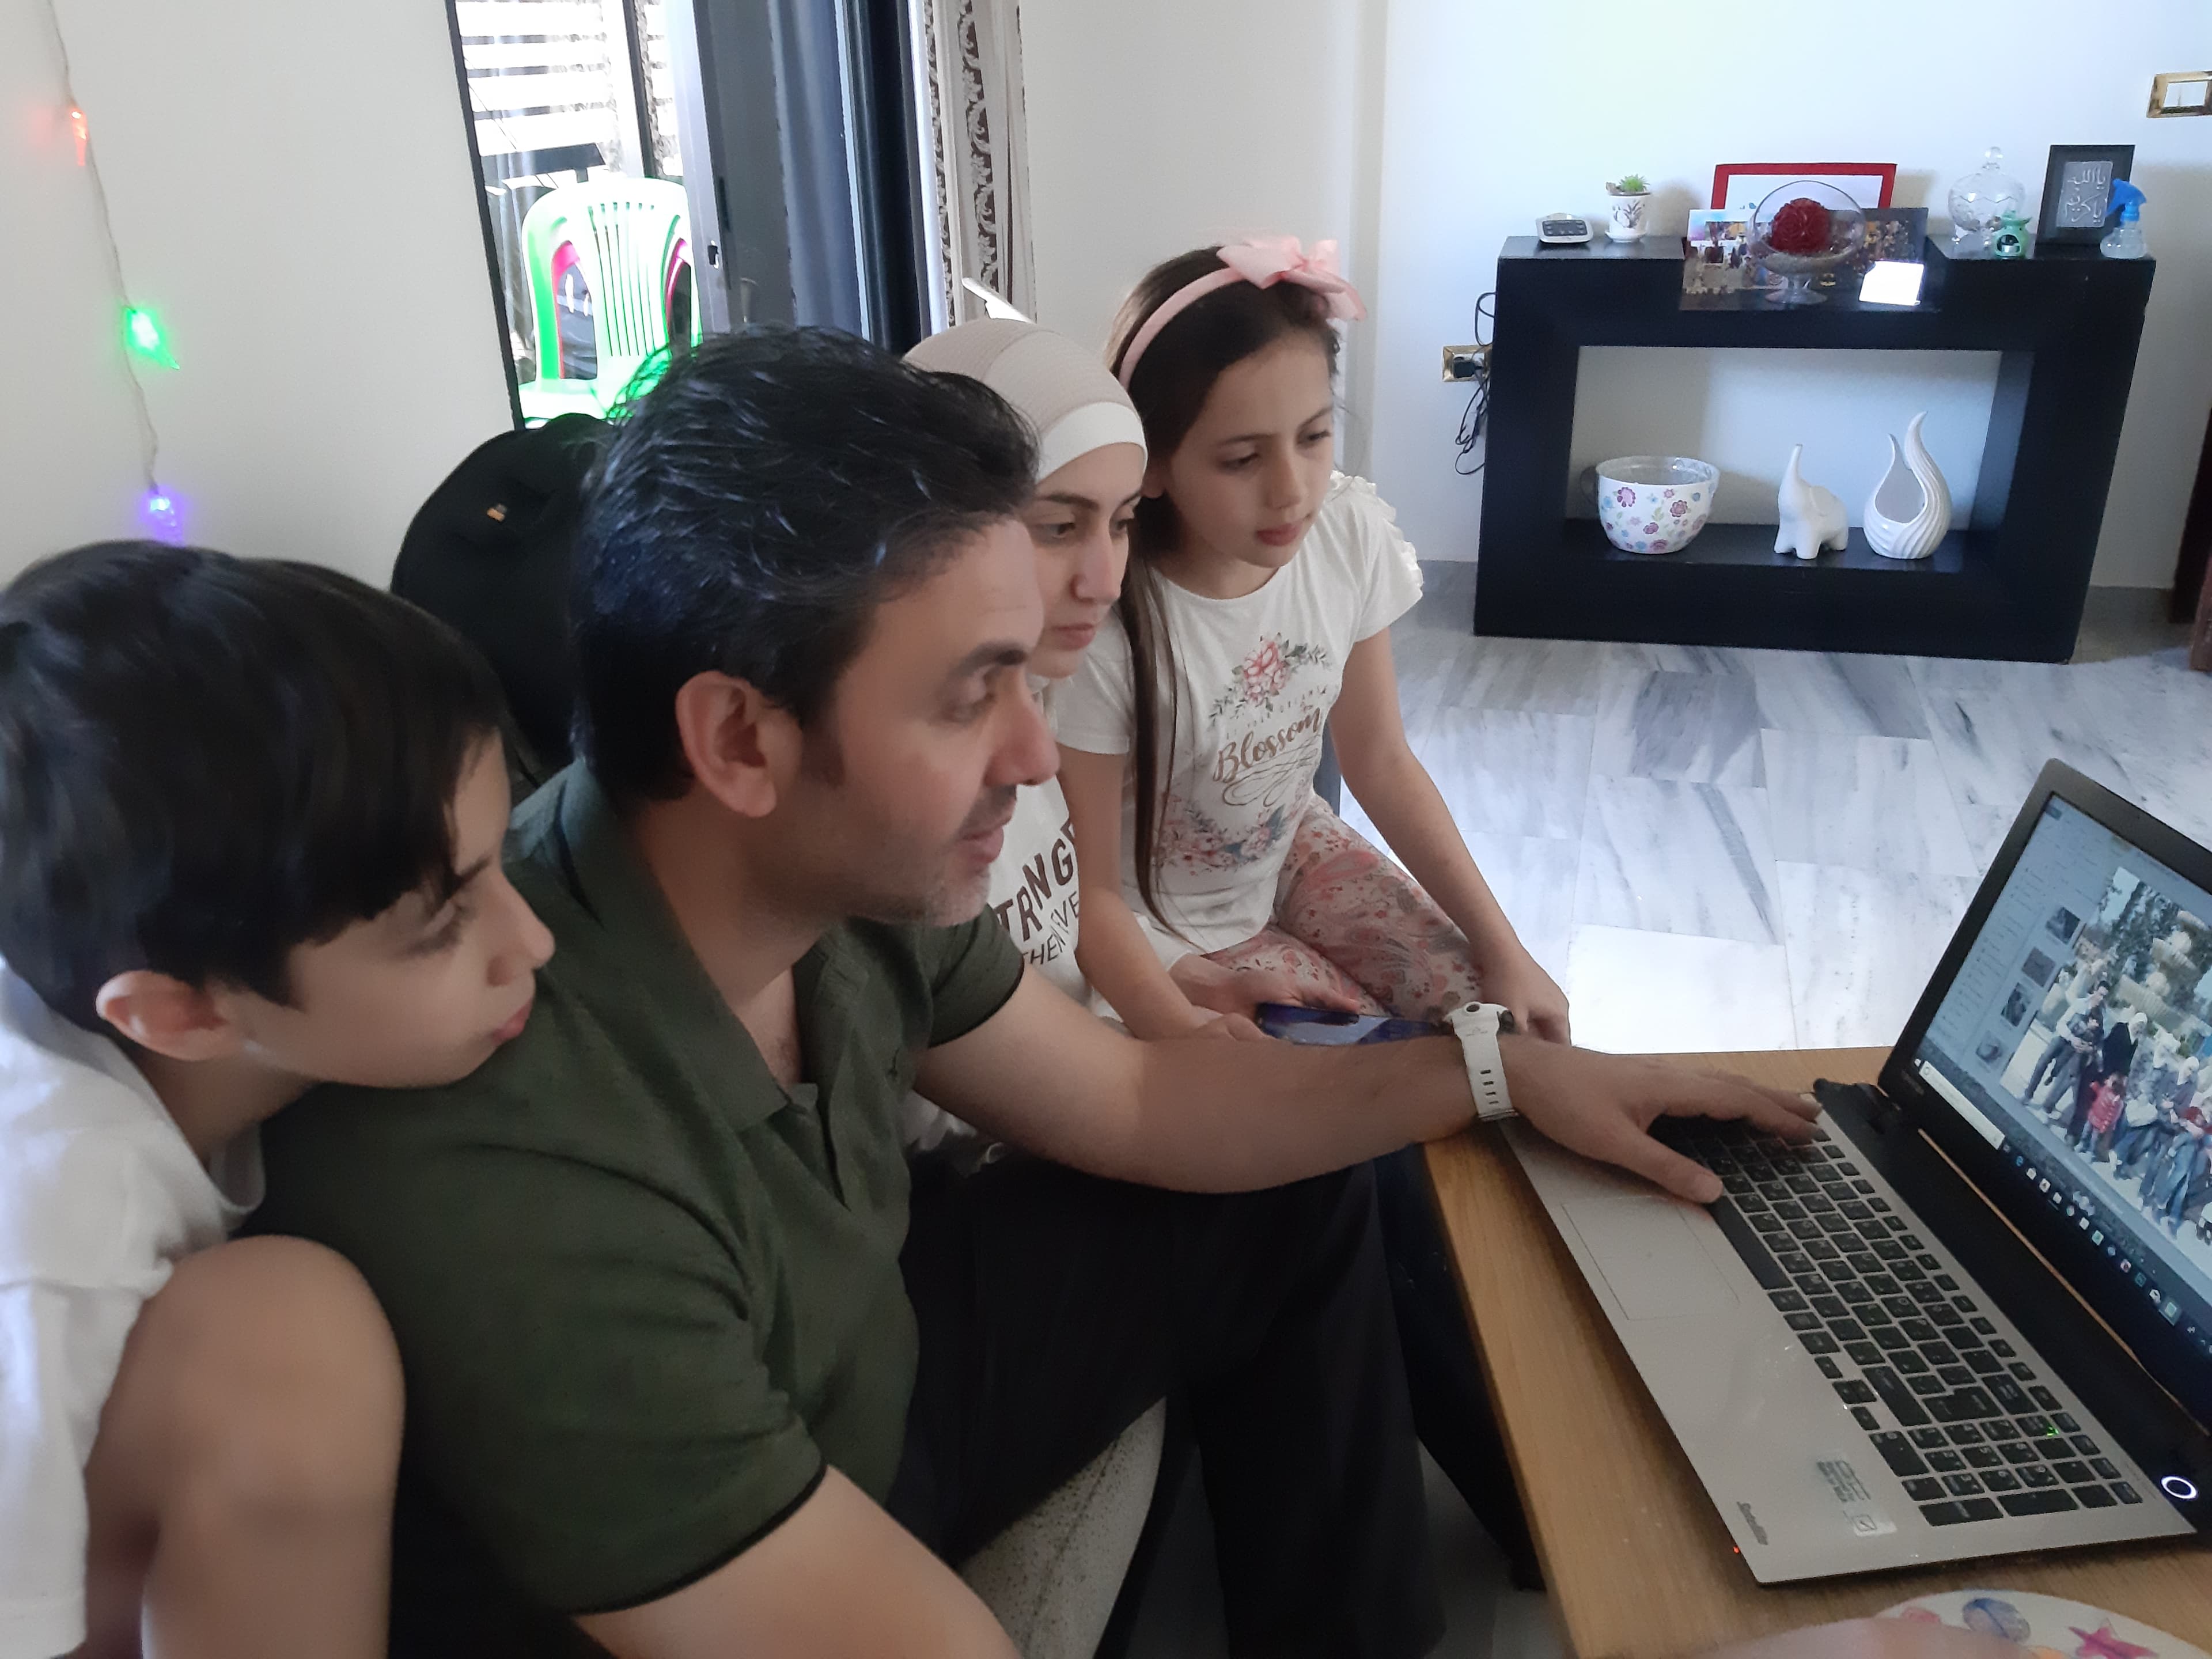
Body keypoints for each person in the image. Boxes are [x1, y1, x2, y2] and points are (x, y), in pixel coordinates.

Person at [252, 328, 1820, 1658]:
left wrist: (1495, 1069)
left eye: (1028, 675)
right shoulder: (512, 1168)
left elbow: (1134, 1095)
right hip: (769, 1532)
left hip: (875, 1370)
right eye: (971, 694)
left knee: (1301, 1188)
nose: (1028, 755)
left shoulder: (831, 876)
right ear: (739, 741)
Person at [904, 316, 1541, 1580]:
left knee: (1467, 1048)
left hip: (1153, 975)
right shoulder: (972, 756)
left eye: (1116, 522)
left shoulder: (1027, 708)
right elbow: (1092, 919)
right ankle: (1533, 1488)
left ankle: (1542, 1455)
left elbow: (1372, 763)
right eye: (1056, 523)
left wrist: (1502, 998)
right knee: (1351, 1135)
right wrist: (1200, 1037)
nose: (1100, 572)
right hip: (1098, 1035)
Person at [0, 544, 552, 1659]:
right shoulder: (57, 1228)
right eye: (442, 927)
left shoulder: (158, 1006)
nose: (532, 942)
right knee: (292, 1349)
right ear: (181, 1015)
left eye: (505, 863)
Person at [1051, 238, 1570, 1043]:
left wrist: (1507, 949)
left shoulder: (1347, 535)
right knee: (1366, 1070)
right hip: (1166, 932)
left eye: (1315, 437)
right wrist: (1190, 1031)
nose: (1292, 490)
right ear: (1151, 464)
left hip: (1292, 845)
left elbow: (1381, 760)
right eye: (1241, 458)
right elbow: (1091, 897)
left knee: (1499, 1023)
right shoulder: (1109, 625)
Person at [2028, 980, 2105, 1115]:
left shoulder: (2101, 1016)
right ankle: (2028, 1094)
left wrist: (2088, 1046)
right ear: (2095, 991)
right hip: (2064, 1037)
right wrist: (2071, 1038)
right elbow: (2061, 1023)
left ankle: (2050, 1099)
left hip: (2077, 1048)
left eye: (2105, 996)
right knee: (2043, 1061)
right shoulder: (2080, 1004)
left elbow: (2099, 1038)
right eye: (2100, 994)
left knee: (2068, 1073)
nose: (2101, 998)